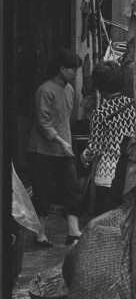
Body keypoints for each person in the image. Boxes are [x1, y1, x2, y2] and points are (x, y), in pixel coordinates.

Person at [27, 49, 84, 246]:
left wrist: (64, 142)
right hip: (41, 150)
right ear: (61, 69)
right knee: (42, 192)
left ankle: (73, 230)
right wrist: (61, 141)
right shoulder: (44, 90)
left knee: (72, 189)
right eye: (73, 69)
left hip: (63, 148)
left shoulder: (70, 89)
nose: (75, 73)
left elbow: (65, 120)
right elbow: (43, 122)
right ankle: (40, 234)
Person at [80, 60, 136, 216]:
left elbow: (94, 149)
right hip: (132, 174)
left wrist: (84, 155)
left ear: (99, 88)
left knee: (104, 222)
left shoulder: (100, 113)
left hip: (108, 176)